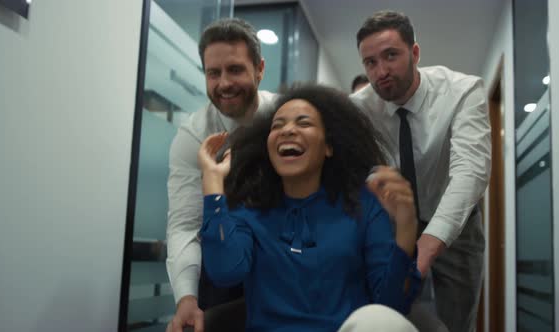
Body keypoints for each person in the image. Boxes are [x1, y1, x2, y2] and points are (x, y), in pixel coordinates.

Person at [197, 84, 421, 331]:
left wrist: (406, 226)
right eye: (277, 125)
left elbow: (391, 306)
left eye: (303, 123)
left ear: (328, 147)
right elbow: (225, 272)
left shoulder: (364, 206)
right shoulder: (250, 210)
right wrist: (213, 181)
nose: (288, 131)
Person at [351, 10, 491, 332]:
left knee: (456, 321)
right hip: (392, 222)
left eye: (390, 56)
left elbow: (470, 171)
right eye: (370, 63)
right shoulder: (359, 108)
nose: (381, 71)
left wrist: (431, 239)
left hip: (458, 225)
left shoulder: (462, 91)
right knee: (387, 313)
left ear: (415, 53)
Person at [165, 18, 277, 332]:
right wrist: (186, 297)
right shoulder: (194, 135)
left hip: (283, 265)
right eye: (213, 73)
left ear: (259, 69)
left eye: (235, 69)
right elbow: (185, 224)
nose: (224, 83)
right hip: (221, 267)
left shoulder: (286, 119)